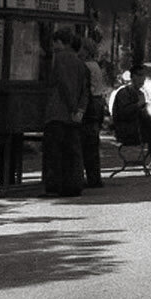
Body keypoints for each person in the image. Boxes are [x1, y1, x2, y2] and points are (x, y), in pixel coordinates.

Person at [43, 29, 89, 197]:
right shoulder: (79, 62)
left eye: (55, 42)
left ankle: (56, 185)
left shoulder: (60, 58)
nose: (53, 46)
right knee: (72, 150)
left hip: (58, 112)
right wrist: (80, 110)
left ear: (60, 42)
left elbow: (63, 84)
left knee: (55, 151)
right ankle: (74, 183)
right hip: (73, 115)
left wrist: (71, 108)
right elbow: (84, 89)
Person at [79, 37, 107, 188]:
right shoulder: (95, 66)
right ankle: (94, 176)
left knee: (86, 141)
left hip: (90, 105)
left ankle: (89, 176)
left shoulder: (86, 67)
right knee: (92, 142)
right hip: (97, 104)